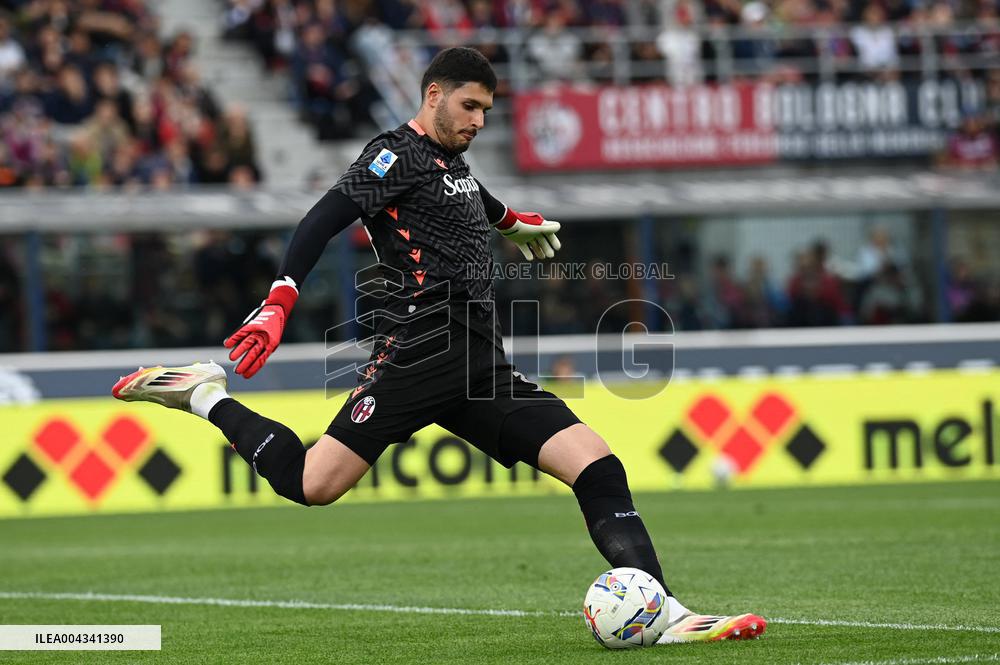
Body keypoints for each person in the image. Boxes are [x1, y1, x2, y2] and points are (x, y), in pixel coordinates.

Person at [112, 47, 765, 645]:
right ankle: (205, 393)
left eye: (487, 108)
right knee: (312, 483)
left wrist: (511, 221)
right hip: (419, 351)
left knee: (596, 464)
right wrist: (281, 298)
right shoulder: (391, 156)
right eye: (470, 105)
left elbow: (470, 197)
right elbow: (323, 218)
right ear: (432, 95)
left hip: (480, 364)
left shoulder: (450, 164)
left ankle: (669, 611)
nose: (480, 119)